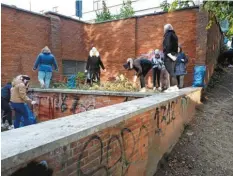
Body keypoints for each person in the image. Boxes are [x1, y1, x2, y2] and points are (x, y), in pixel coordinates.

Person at [163, 24, 179, 91]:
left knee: (170, 71)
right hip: (174, 54)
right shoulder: (175, 35)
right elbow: (176, 46)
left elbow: (167, 44)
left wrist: (169, 54)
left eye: (164, 29)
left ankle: (173, 87)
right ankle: (175, 87)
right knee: (173, 71)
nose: (163, 30)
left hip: (169, 55)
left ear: (166, 29)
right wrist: (175, 55)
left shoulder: (168, 34)